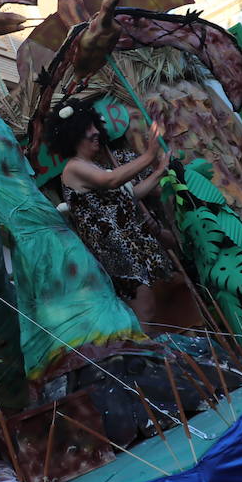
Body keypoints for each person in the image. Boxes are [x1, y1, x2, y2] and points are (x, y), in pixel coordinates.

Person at [49, 104, 173, 324]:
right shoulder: (73, 168)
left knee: (149, 307)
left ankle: (153, 353)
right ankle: (144, 355)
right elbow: (112, 180)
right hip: (114, 251)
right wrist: (149, 155)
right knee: (144, 308)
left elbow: (132, 194)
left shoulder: (93, 166)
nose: (96, 132)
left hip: (129, 243)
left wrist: (160, 169)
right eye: (89, 128)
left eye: (96, 127)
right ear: (74, 134)